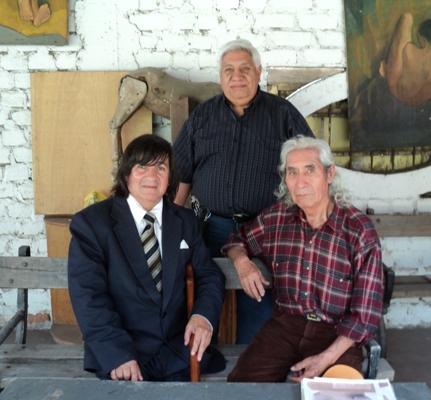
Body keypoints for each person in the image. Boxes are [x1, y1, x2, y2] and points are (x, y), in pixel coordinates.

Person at [173, 38, 315, 344]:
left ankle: (252, 364)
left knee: (258, 303)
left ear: (259, 72)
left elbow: (310, 167)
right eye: (229, 70)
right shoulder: (203, 116)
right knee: (206, 299)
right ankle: (208, 361)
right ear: (220, 76)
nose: (236, 77)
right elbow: (182, 172)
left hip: (266, 230)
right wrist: (172, 222)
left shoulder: (282, 114)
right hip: (210, 226)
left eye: (245, 69)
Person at [223, 136, 384, 382]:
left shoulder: (358, 230)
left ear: (329, 174)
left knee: (336, 393)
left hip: (337, 335)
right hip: (284, 328)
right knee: (241, 389)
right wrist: (242, 262)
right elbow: (236, 240)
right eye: (292, 172)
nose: (300, 183)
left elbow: (365, 315)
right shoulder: (276, 219)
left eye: (310, 170)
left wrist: (326, 358)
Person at [68, 134, 226, 382]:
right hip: (124, 356)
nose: (152, 176)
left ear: (170, 178)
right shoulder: (92, 224)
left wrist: (202, 316)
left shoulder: (186, 222)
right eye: (142, 166)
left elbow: (209, 275)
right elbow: (88, 296)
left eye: (161, 167)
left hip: (180, 353)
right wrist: (117, 354)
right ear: (126, 175)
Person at [379, 13, 431, 117]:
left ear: (422, 39)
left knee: (406, 18)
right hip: (418, 102)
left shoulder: (409, 49)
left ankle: (386, 70)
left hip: (396, 91)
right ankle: (386, 70)